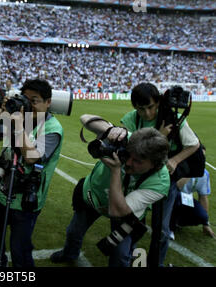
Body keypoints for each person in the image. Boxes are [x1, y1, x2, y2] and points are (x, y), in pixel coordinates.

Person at [50, 115, 170, 267]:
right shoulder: (133, 141)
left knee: (120, 255)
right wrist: (111, 130)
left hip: (124, 211)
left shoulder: (160, 181)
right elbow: (85, 118)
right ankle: (69, 254)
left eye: (138, 161)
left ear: (155, 165)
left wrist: (115, 170)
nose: (128, 162)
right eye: (128, 155)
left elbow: (117, 211)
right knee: (74, 231)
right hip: (93, 196)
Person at [0, 78, 64, 267]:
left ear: (48, 102)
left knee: (20, 251)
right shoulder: (21, 115)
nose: (29, 105)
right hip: (2, 191)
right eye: (25, 99)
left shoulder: (53, 128)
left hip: (26, 199)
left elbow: (31, 157)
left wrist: (18, 126)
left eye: (34, 100)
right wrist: (6, 110)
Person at [120, 82, 200, 266]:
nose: (147, 113)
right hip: (138, 180)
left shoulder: (173, 118)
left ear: (158, 102)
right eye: (141, 109)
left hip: (165, 181)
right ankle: (132, 255)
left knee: (162, 229)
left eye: (151, 107)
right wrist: (160, 136)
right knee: (132, 219)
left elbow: (194, 144)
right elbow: (131, 147)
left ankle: (156, 263)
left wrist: (175, 160)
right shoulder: (130, 119)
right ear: (134, 107)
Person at [170, 146, 215, 239]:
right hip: (170, 196)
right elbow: (176, 186)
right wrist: (191, 172)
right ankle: (169, 228)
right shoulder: (178, 166)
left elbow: (203, 197)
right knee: (177, 197)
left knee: (202, 216)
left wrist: (205, 224)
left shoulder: (204, 174)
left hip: (185, 199)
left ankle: (178, 222)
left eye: (203, 157)